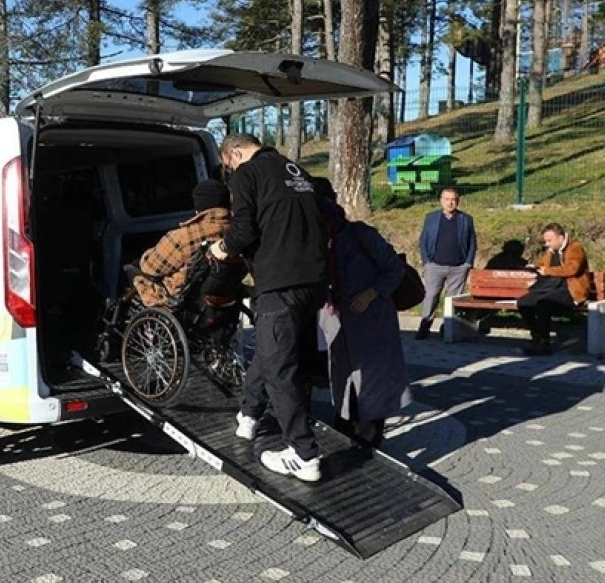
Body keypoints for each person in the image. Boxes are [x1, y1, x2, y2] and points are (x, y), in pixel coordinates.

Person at [209, 134, 328, 483]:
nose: (228, 173)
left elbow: (244, 228)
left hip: (281, 282)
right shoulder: (296, 171)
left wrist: (222, 248)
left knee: (279, 369)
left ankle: (303, 454)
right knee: (268, 349)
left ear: (234, 153)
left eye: (227, 165)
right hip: (314, 281)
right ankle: (248, 417)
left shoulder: (248, 173)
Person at [316, 179, 412, 448]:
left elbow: (394, 269)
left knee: (372, 384)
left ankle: (368, 442)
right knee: (343, 381)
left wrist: (370, 294)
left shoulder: (361, 234)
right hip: (338, 324)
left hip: (371, 321)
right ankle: (345, 435)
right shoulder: (318, 242)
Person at [133, 180, 233, 308]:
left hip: (179, 302)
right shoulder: (238, 233)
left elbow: (150, 268)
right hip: (223, 298)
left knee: (135, 273)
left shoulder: (183, 237)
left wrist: (144, 256)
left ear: (199, 207)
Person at [518, 223, 591, 355]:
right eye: (546, 241)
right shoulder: (551, 251)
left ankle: (544, 344)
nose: (547, 244)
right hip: (551, 287)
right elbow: (542, 265)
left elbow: (572, 269)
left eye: (549, 240)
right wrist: (534, 267)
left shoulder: (575, 248)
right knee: (523, 302)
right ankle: (537, 337)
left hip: (570, 290)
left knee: (543, 304)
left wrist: (548, 271)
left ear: (560, 238)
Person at [416, 187, 477, 339]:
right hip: (435, 266)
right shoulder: (431, 218)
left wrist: (467, 263)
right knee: (431, 296)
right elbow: (423, 240)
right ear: (441, 201)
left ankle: (447, 329)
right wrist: (426, 261)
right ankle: (425, 326)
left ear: (458, 201)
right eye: (447, 199)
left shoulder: (466, 219)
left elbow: (472, 243)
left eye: (453, 200)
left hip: (458, 267)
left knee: (451, 301)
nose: (450, 203)